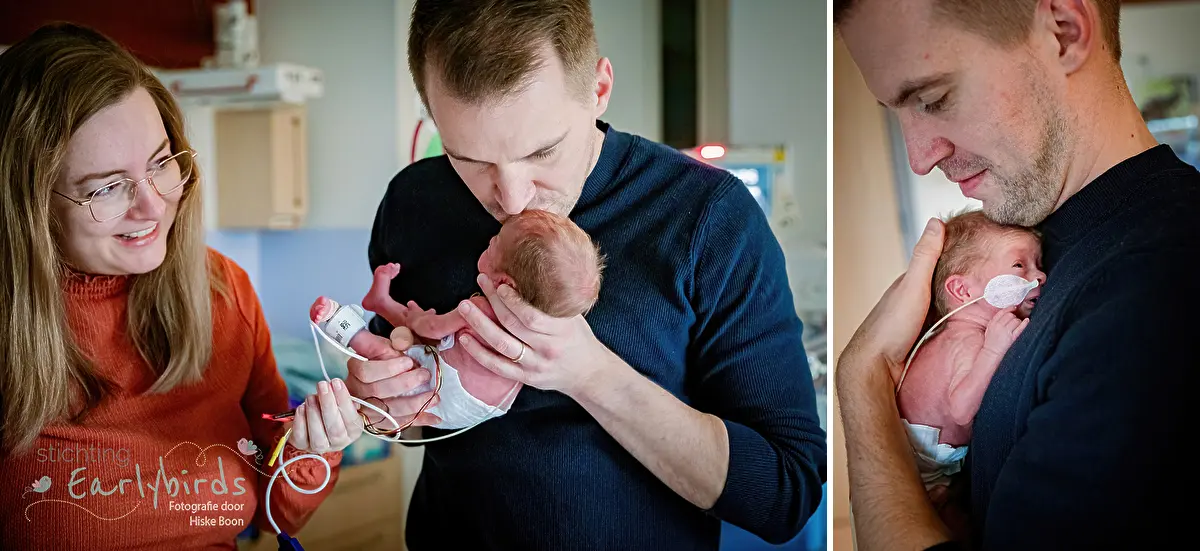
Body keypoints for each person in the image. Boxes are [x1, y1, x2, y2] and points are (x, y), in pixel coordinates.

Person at [345, 0, 827, 548]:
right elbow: (404, 410)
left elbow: (786, 493)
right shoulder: (413, 201)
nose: (512, 197)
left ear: (598, 89)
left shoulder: (709, 219)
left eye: (543, 151)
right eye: (470, 159)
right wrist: (383, 405)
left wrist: (588, 374)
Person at [834, 0, 1200, 549]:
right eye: (897, 110)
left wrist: (861, 381)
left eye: (934, 98)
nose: (920, 156)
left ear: (1064, 31)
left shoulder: (1156, 288)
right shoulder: (1028, 242)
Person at [0, 23, 363, 549]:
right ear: (30, 204)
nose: (152, 207)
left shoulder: (224, 292)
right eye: (106, 186)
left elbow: (275, 513)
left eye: (160, 164)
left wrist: (314, 450)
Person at [311, 208, 605, 430]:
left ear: (506, 284)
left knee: (393, 352)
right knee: (419, 340)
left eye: (494, 244)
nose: (489, 240)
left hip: (446, 393)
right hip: (482, 410)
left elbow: (432, 328)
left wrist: (421, 319)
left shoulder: (482, 308)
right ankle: (381, 302)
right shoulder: (543, 329)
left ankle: (339, 323)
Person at [896, 210, 1041, 498]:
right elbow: (962, 409)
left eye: (1038, 263)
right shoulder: (968, 342)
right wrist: (993, 349)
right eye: (1019, 265)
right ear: (962, 290)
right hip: (922, 466)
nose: (1039, 275)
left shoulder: (951, 335)